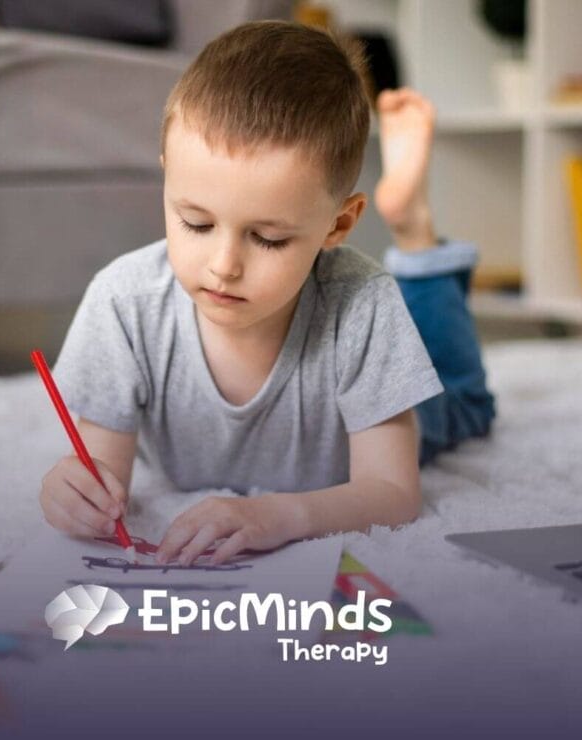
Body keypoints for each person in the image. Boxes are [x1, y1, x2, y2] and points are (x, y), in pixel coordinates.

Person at [41, 20, 495, 566]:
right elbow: (100, 473)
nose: (224, 266)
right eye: (195, 222)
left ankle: (415, 232)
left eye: (268, 238)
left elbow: (395, 494)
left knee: (464, 401)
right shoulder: (123, 303)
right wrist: (75, 493)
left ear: (337, 225)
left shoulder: (363, 305)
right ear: (168, 179)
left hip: (399, 393)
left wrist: (276, 517)